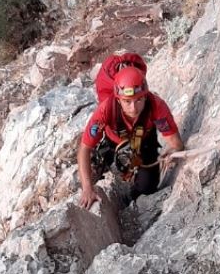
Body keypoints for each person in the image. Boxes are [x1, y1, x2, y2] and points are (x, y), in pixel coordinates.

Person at [78, 64, 184, 208]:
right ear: (118, 99)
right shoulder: (106, 109)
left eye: (138, 100)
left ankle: (132, 199)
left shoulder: (156, 106)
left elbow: (176, 143)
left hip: (144, 141)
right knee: (95, 168)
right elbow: (84, 148)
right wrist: (87, 188)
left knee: (147, 187)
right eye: (127, 101)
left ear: (145, 96)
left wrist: (172, 152)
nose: (133, 108)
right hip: (113, 141)